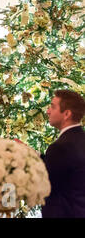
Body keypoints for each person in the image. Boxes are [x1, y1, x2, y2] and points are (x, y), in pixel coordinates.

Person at [43, 89, 85, 218]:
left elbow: (45, 184)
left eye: (53, 107)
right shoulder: (80, 139)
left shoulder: (60, 147)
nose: (47, 111)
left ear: (66, 114)